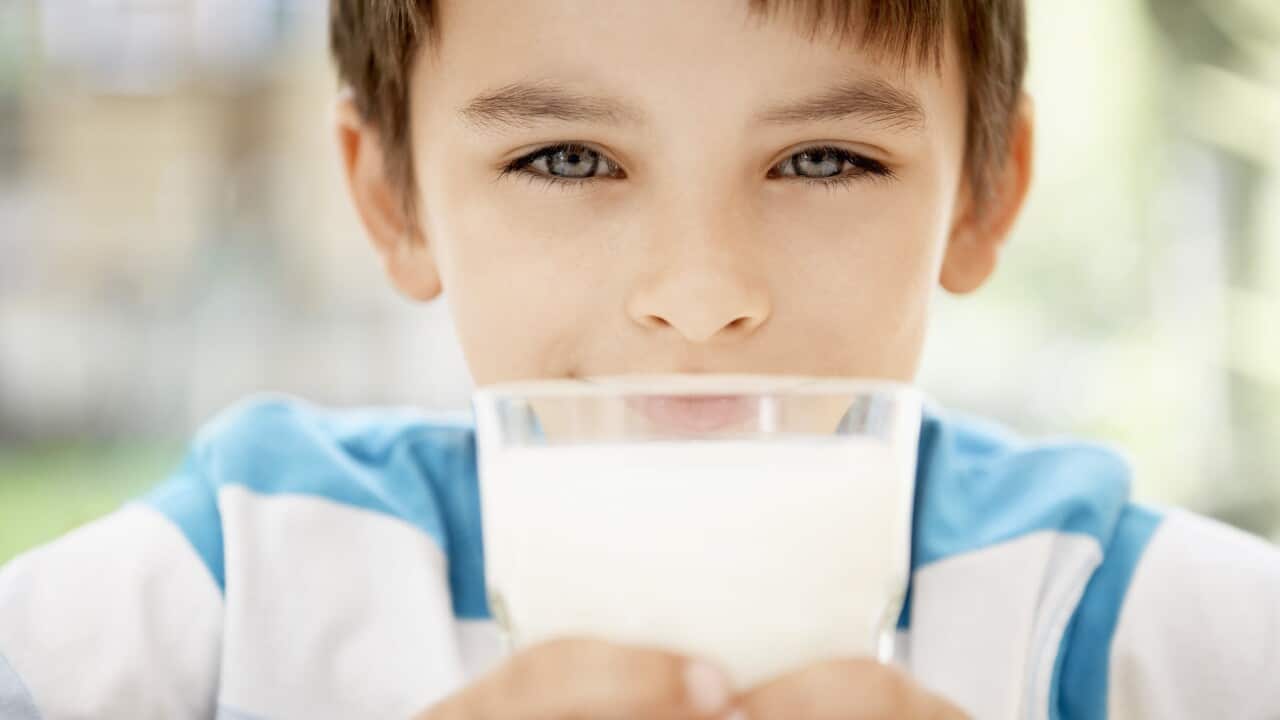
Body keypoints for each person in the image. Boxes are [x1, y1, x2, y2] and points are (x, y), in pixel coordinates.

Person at [3, 1, 1278, 717]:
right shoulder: (241, 581)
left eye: (822, 160)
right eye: (566, 160)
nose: (699, 295)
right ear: (391, 196)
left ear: (979, 198)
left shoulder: (1139, 628)